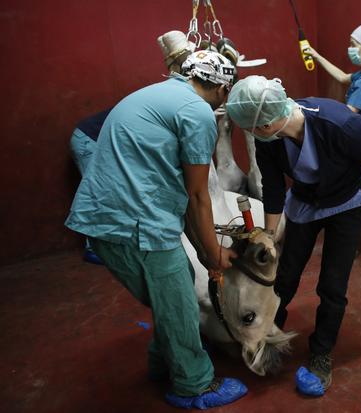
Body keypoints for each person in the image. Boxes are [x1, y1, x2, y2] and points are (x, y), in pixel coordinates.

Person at [65, 50, 248, 409]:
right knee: (179, 303)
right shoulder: (198, 113)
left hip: (109, 216)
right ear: (224, 89)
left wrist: (206, 249)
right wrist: (213, 255)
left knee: (171, 290)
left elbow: (184, 193)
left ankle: (164, 361)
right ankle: (194, 385)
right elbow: (197, 195)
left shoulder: (153, 94)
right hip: (136, 223)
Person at [225, 75, 361, 396]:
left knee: (332, 285)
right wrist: (269, 236)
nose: (249, 134)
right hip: (304, 202)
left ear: (263, 125)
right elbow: (273, 188)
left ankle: (321, 353)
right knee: (284, 276)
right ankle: (269, 333)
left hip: (346, 203)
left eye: (249, 129)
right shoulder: (269, 141)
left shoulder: (340, 125)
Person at [305, 23, 361, 268]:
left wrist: (317, 109)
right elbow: (343, 77)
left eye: (353, 45)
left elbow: (350, 111)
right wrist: (317, 56)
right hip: (357, 140)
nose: (350, 49)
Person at [69, 108, 112, 265]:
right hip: (89, 141)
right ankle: (93, 249)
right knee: (98, 193)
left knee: (106, 192)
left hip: (98, 141)